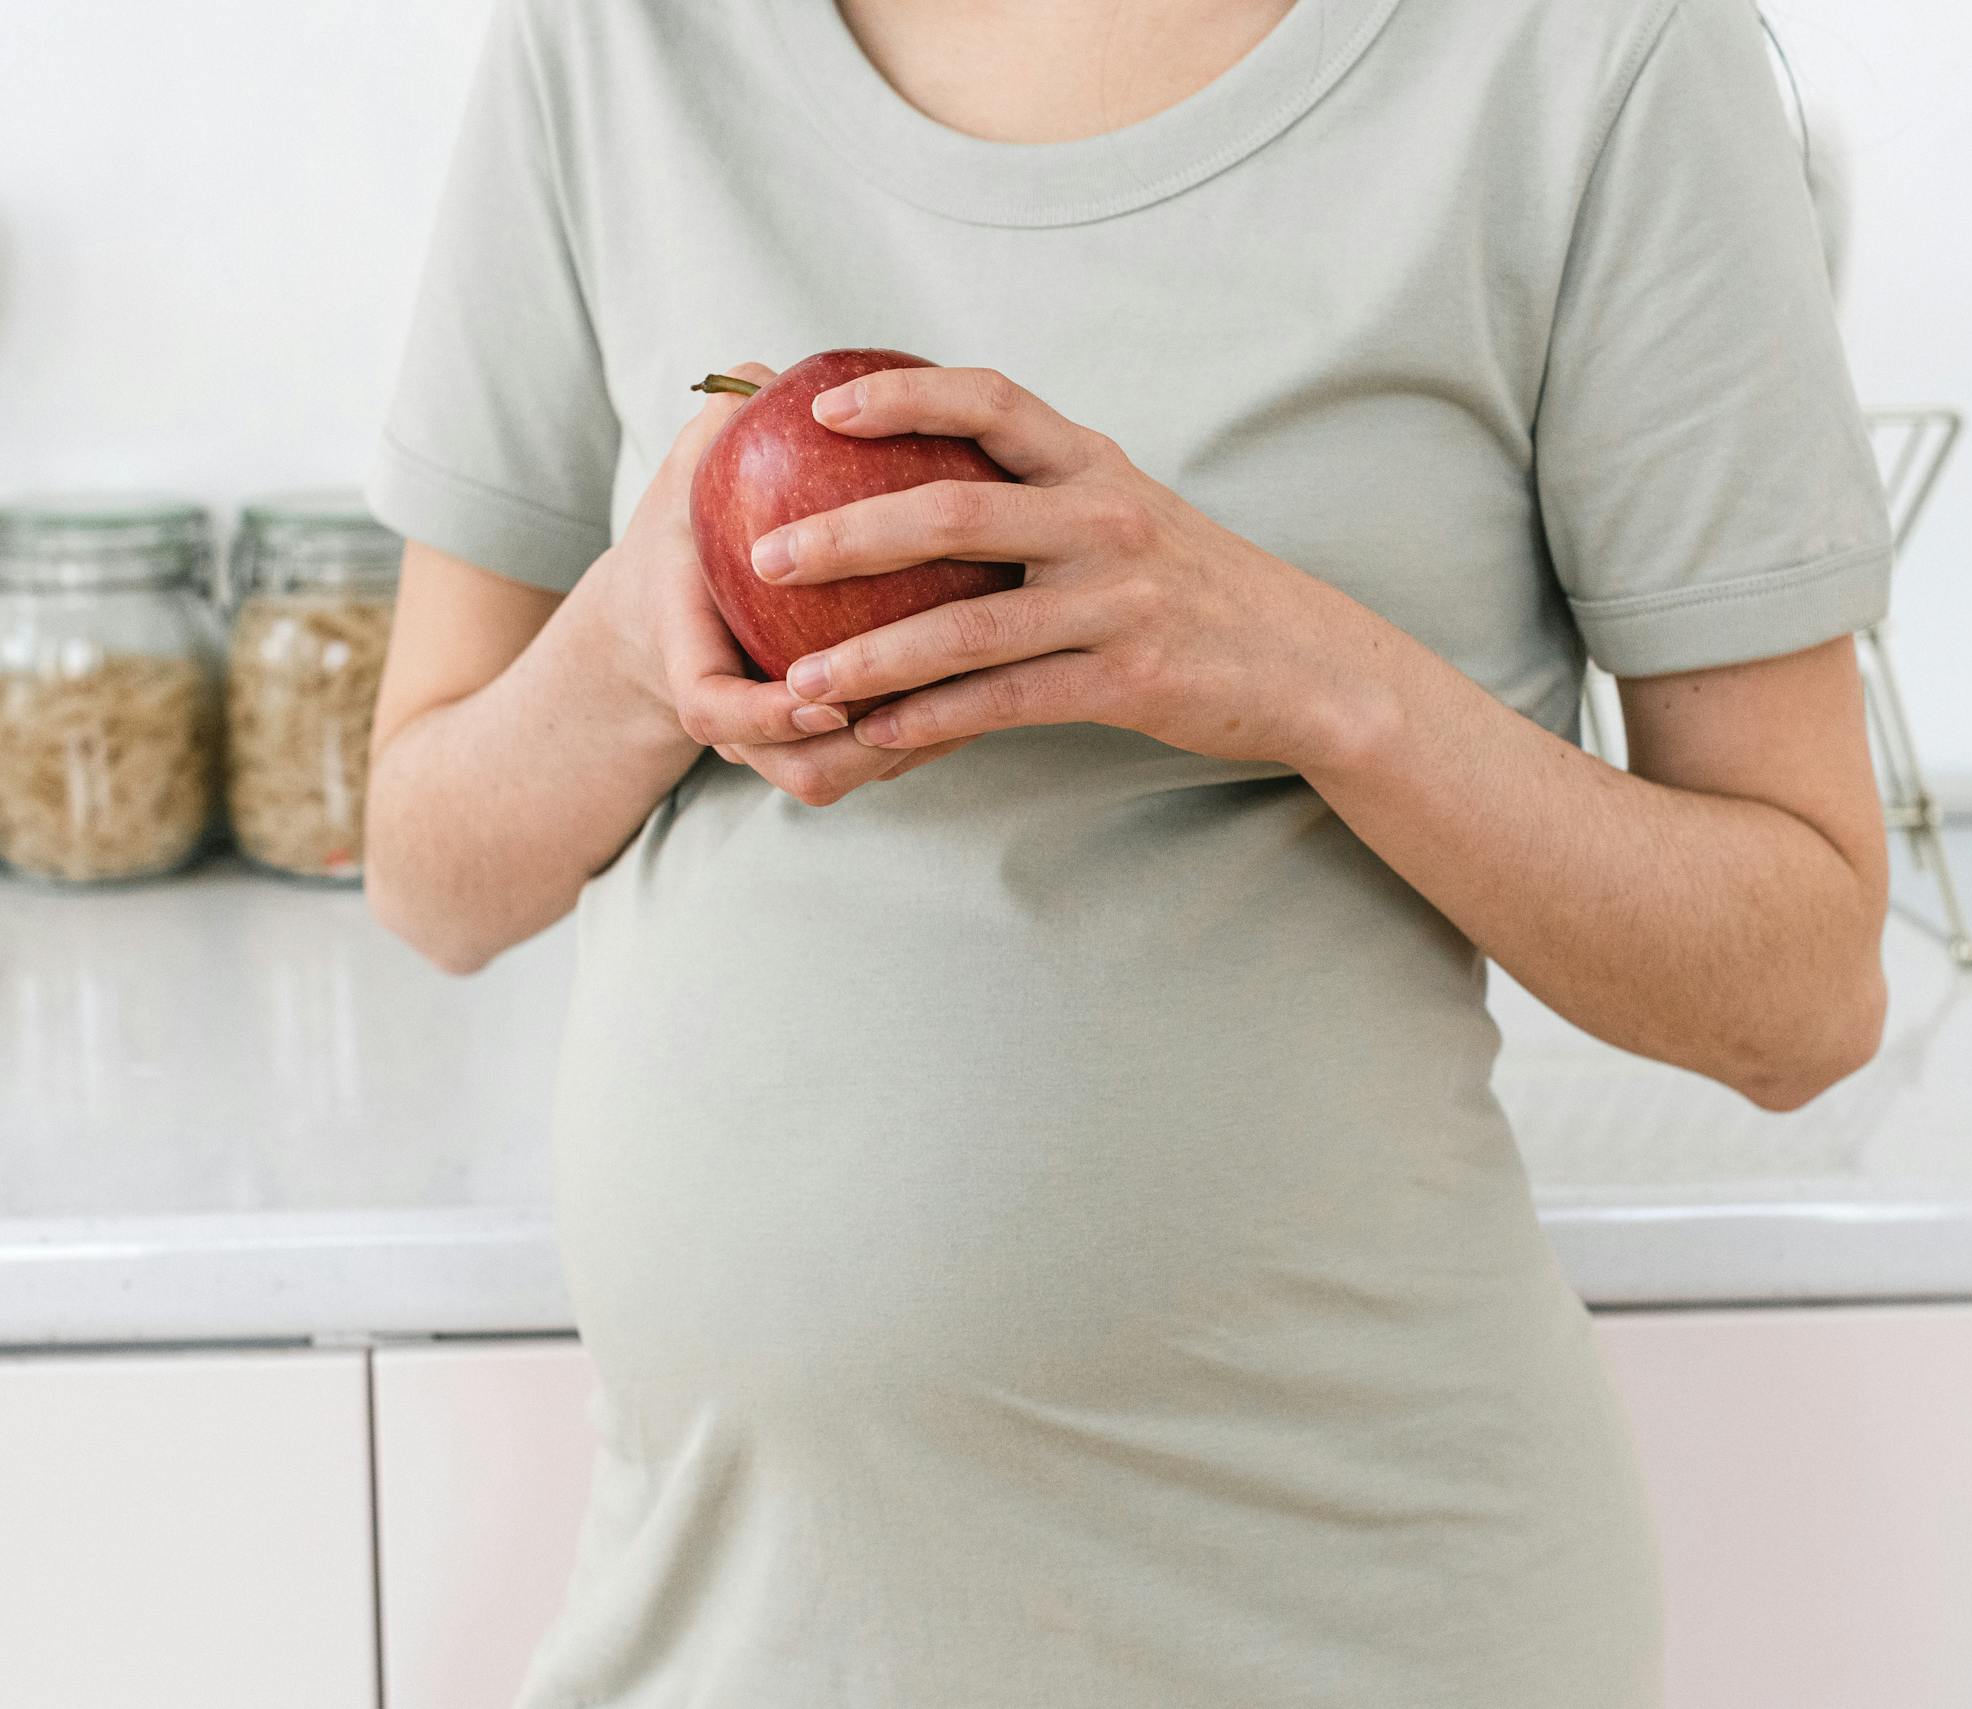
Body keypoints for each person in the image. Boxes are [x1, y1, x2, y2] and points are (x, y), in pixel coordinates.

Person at [361, 1, 1893, 1703]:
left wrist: (1315, 676)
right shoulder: (615, 41)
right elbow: (431, 877)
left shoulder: (1594, 57)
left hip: (1349, 1629)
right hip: (724, 1636)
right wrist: (637, 647)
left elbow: (1802, 992)